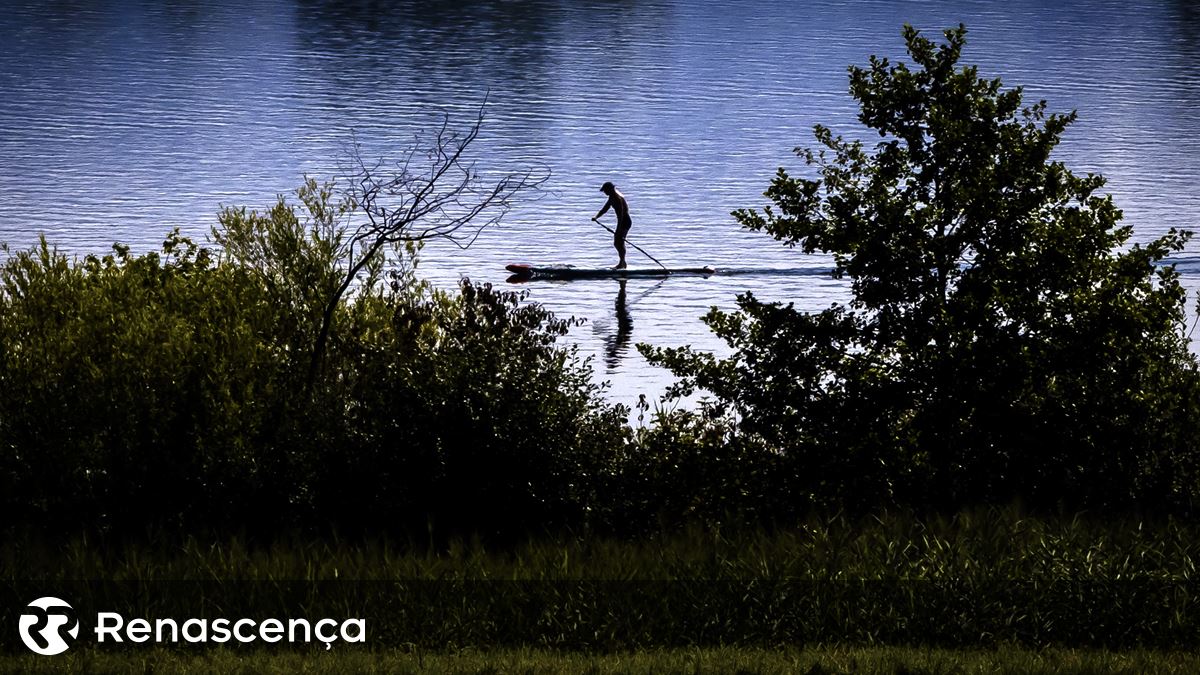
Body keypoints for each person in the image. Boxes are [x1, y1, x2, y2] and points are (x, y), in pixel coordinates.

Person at [593, 181, 631, 269]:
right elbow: (604, 209)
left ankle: (622, 264)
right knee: (618, 243)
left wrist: (618, 229)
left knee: (619, 242)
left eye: (605, 191)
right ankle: (622, 263)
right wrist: (596, 217)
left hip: (625, 222)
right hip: (622, 221)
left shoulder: (617, 198)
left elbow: (621, 215)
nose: (604, 193)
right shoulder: (611, 198)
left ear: (609, 189)